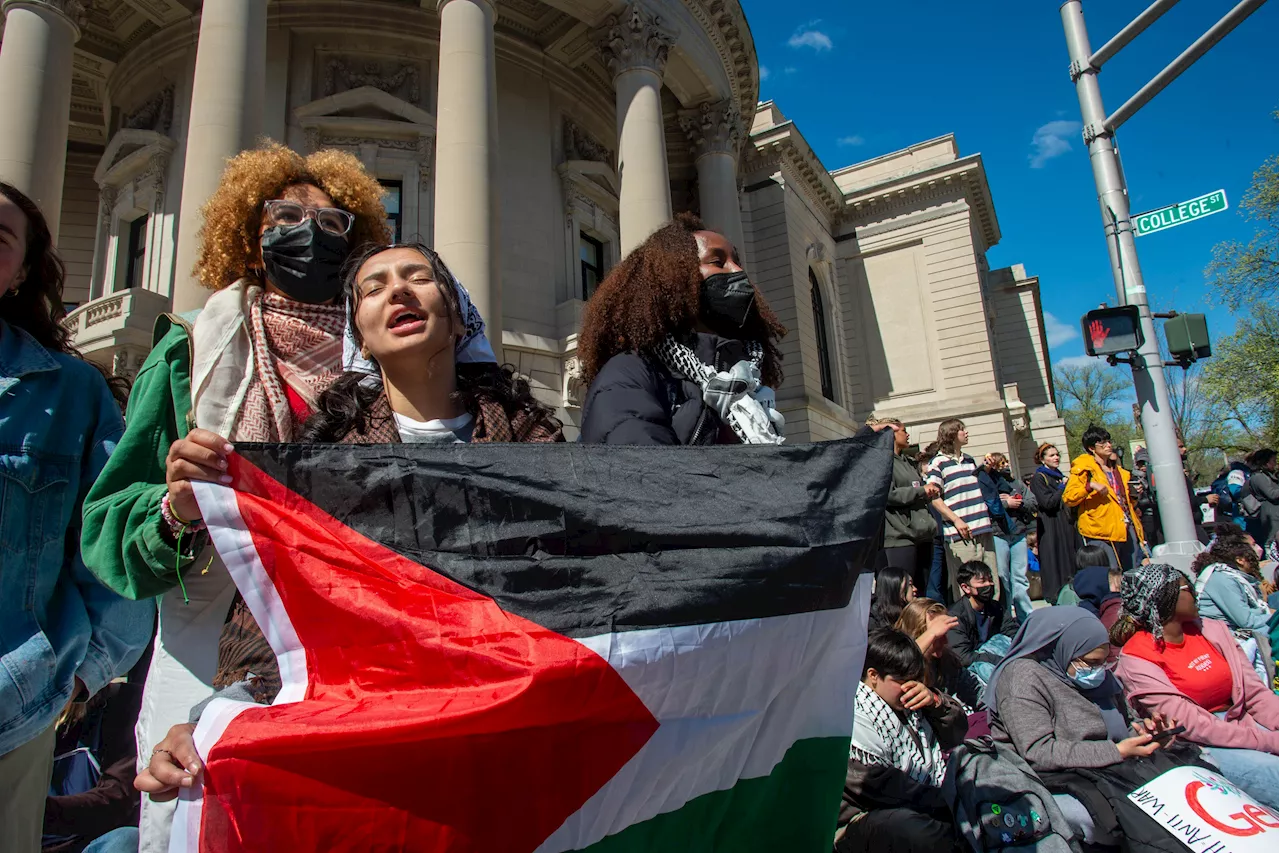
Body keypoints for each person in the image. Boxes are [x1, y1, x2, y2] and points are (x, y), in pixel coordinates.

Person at [136, 241, 565, 805]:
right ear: (358, 334)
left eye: (418, 277)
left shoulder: (540, 448)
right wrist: (212, 722)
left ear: (459, 316)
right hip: (375, 743)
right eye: (374, 287)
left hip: (510, 735)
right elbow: (281, 621)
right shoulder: (319, 469)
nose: (399, 291)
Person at [79, 143, 390, 851]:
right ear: (250, 237)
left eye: (332, 221)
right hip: (207, 647)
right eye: (286, 216)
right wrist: (175, 509)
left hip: (356, 643)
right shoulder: (190, 347)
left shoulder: (384, 359)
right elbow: (106, 524)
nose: (309, 232)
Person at [0, 182, 154, 852]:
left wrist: (74, 674)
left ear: (21, 270)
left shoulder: (71, 392)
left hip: (9, 707)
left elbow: (114, 547)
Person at [578, 213, 787, 445]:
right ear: (673, 279)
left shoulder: (750, 383)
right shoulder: (627, 374)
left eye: (737, 261)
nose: (738, 271)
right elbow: (646, 472)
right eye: (717, 262)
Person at [985, 607, 1182, 847]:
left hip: (1116, 768)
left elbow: (1125, 723)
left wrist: (1148, 734)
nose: (1098, 670)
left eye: (1104, 661)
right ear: (1061, 650)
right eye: (1091, 662)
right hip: (1059, 778)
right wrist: (1117, 752)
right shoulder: (1023, 679)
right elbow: (1038, 751)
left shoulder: (1101, 677)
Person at [1113, 564, 1280, 809]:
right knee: (1273, 773)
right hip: (1201, 745)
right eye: (1187, 587)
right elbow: (1192, 724)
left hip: (1241, 721)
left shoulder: (1212, 630)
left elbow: (1255, 692)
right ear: (1164, 599)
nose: (1195, 592)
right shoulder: (1137, 658)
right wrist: (1269, 741)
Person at [837, 630, 967, 853]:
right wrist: (949, 801)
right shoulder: (850, 715)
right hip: (861, 819)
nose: (911, 687)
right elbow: (882, 787)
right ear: (874, 675)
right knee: (917, 830)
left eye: (916, 680)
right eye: (903, 681)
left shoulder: (913, 706)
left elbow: (957, 733)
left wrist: (936, 702)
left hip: (927, 799)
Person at [1190, 531, 1276, 687]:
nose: (1258, 552)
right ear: (1240, 560)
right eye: (1253, 548)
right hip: (1228, 640)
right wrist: (1273, 619)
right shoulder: (1221, 579)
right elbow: (1246, 620)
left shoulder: (1233, 577)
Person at [924, 419, 998, 600]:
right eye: (961, 430)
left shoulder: (970, 461)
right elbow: (934, 498)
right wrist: (956, 520)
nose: (966, 433)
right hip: (960, 534)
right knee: (968, 586)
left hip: (983, 528)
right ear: (950, 434)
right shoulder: (938, 463)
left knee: (991, 582)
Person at [1063, 425, 1144, 571]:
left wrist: (1134, 494)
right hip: (1100, 529)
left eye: (1109, 441)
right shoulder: (1084, 468)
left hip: (1125, 525)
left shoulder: (1120, 472)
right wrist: (1090, 486)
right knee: (1111, 573)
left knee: (1132, 571)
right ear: (1092, 448)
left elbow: (1124, 500)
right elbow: (1069, 497)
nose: (1108, 445)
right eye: (1102, 442)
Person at [874, 418, 938, 590]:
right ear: (891, 434)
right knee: (901, 592)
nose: (908, 434)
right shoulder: (881, 462)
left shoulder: (908, 462)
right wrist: (921, 491)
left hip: (921, 533)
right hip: (898, 537)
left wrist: (928, 491)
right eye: (903, 430)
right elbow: (887, 495)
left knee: (921, 590)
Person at [896, 598, 982, 713]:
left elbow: (980, 694)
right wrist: (931, 634)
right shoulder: (898, 672)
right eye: (938, 636)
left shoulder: (947, 661)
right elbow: (898, 667)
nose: (945, 641)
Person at [978, 453, 1033, 624]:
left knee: (1020, 577)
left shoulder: (1016, 483)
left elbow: (1033, 501)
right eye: (1000, 463)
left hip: (1018, 533)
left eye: (1006, 462)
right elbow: (985, 503)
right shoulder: (987, 483)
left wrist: (1018, 501)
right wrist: (1005, 504)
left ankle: (1027, 617)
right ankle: (1007, 617)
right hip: (998, 533)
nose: (1004, 466)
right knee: (1002, 577)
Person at [946, 561, 1018, 682]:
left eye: (990, 580)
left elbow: (1012, 631)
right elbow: (962, 657)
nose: (989, 585)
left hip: (995, 658)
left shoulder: (995, 607)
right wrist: (996, 659)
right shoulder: (955, 617)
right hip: (973, 670)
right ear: (966, 587)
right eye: (982, 581)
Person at [1030, 443, 1081, 604]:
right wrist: (1061, 487)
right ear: (1042, 459)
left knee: (1069, 558)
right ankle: (1056, 595)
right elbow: (1047, 502)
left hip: (1065, 523)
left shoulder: (1059, 475)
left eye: (1057, 454)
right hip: (1051, 525)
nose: (1056, 458)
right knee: (1055, 559)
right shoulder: (1039, 477)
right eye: (1051, 455)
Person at [1244, 448, 1280, 547]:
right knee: (1272, 539)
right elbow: (1271, 494)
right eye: (1273, 461)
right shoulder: (1258, 477)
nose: (1275, 463)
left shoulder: (1269, 475)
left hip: (1275, 512)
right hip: (1270, 513)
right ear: (1265, 462)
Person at [870, 565, 917, 631]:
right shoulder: (873, 621)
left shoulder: (912, 614)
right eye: (910, 585)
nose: (915, 589)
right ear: (895, 588)